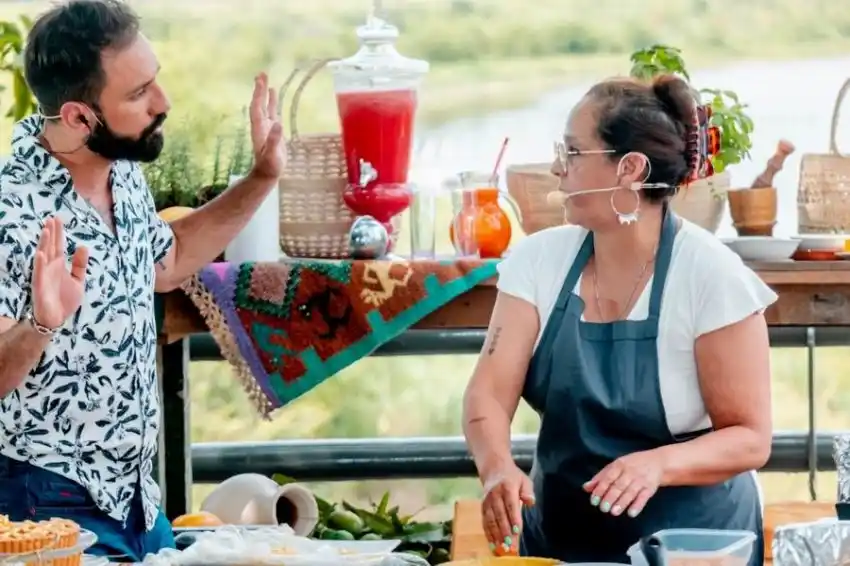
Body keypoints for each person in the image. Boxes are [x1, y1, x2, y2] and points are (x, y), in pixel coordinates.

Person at [0, 0, 285, 561]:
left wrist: (262, 176)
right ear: (80, 117)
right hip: (46, 507)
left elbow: (168, 258)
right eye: (138, 95)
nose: (163, 103)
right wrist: (40, 324)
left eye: (154, 80)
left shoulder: (119, 165)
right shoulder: (11, 214)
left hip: (137, 503)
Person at [462, 74, 775, 565]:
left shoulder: (711, 274)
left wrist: (658, 465)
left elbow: (751, 438)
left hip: (693, 547)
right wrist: (497, 468)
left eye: (572, 153)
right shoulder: (538, 261)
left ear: (629, 168)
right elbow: (488, 394)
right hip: (562, 543)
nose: (556, 169)